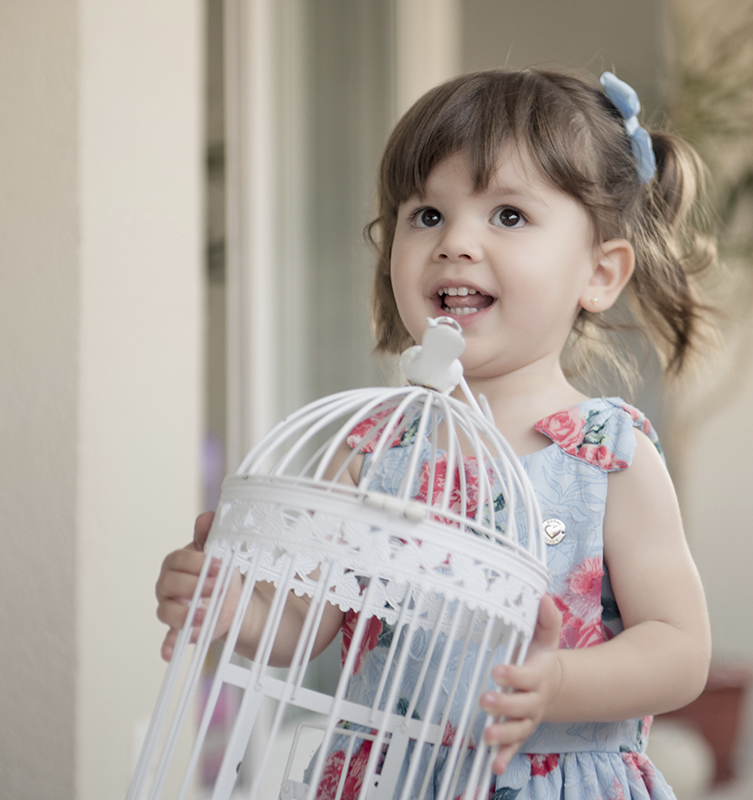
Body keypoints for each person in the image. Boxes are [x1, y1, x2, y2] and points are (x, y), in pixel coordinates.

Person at [156, 67, 714, 800]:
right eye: (426, 215)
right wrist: (238, 610)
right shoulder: (372, 448)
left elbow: (679, 649)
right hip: (395, 779)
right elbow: (306, 623)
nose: (456, 242)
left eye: (508, 216)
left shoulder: (608, 455)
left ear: (601, 273)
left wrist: (560, 681)